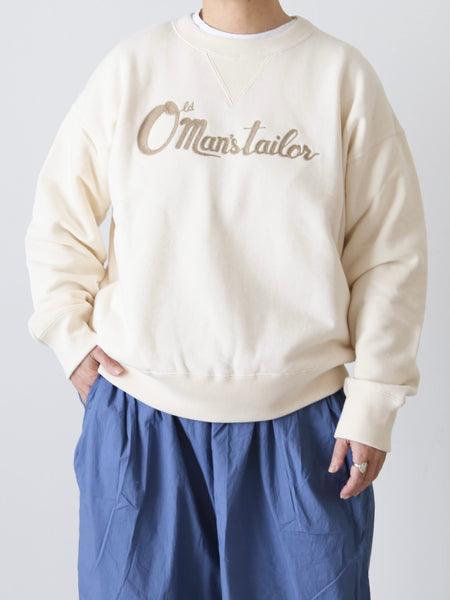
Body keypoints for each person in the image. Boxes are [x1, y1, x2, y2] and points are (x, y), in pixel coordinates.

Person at [24, 1, 428, 598]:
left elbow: (389, 252)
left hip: (301, 430)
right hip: (141, 418)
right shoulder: (134, 67)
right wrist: (69, 333)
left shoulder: (339, 76)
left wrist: (375, 397)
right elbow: (60, 213)